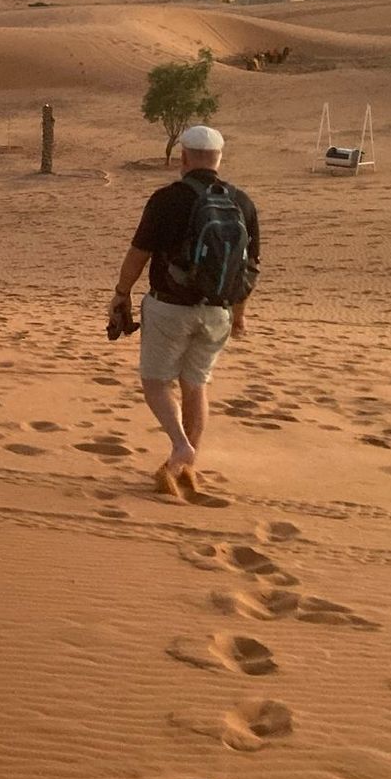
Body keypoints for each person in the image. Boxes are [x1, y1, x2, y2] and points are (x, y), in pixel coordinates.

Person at [109, 125, 260, 502]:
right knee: (197, 385)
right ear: (219, 159)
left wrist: (121, 294)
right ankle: (185, 465)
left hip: (169, 308)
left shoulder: (167, 200)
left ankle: (180, 447)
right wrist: (239, 314)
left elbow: (138, 255)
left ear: (184, 158)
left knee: (156, 382)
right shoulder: (241, 202)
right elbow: (250, 267)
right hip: (218, 312)